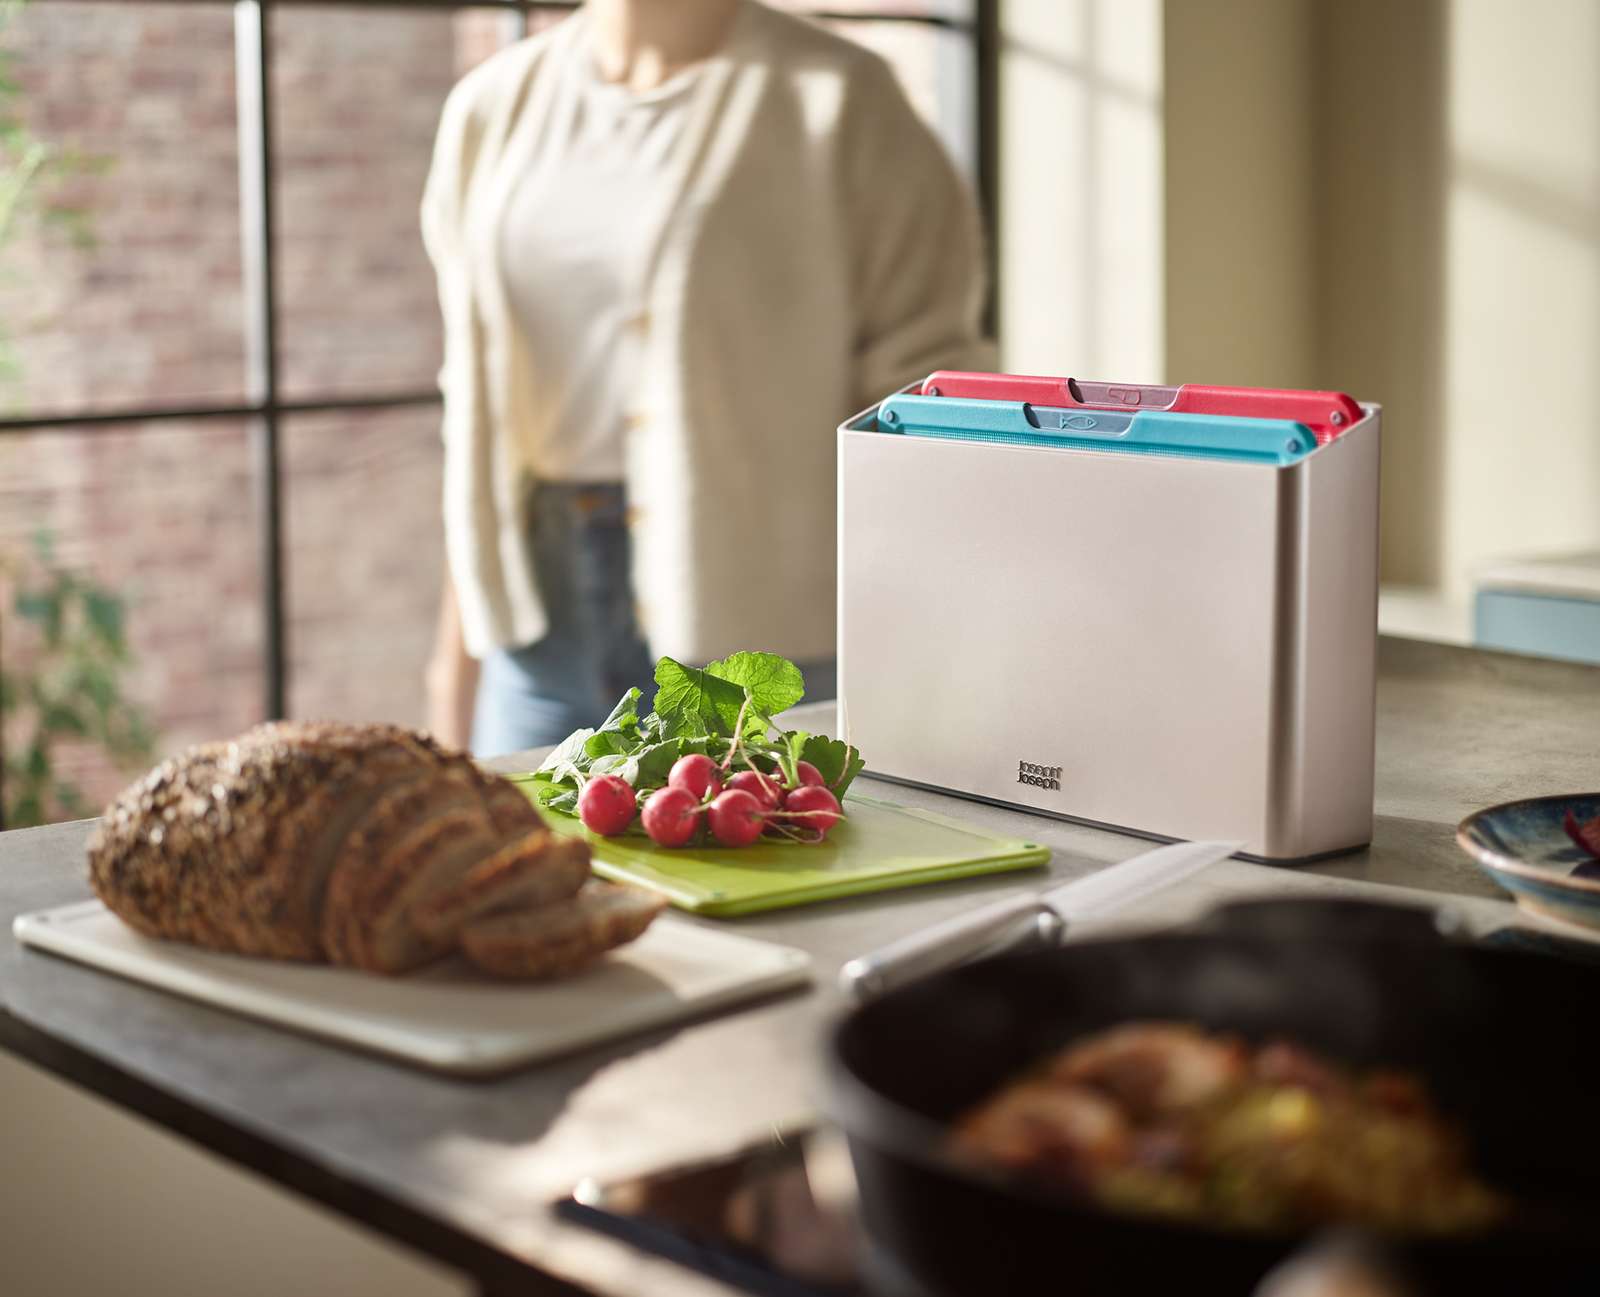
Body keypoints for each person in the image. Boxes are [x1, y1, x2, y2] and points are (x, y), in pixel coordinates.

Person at [421, 0, 990, 756]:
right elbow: (477, 413)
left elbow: (923, 413)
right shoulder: (491, 108)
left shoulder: (840, 97)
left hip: (763, 641)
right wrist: (452, 675)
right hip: (534, 637)